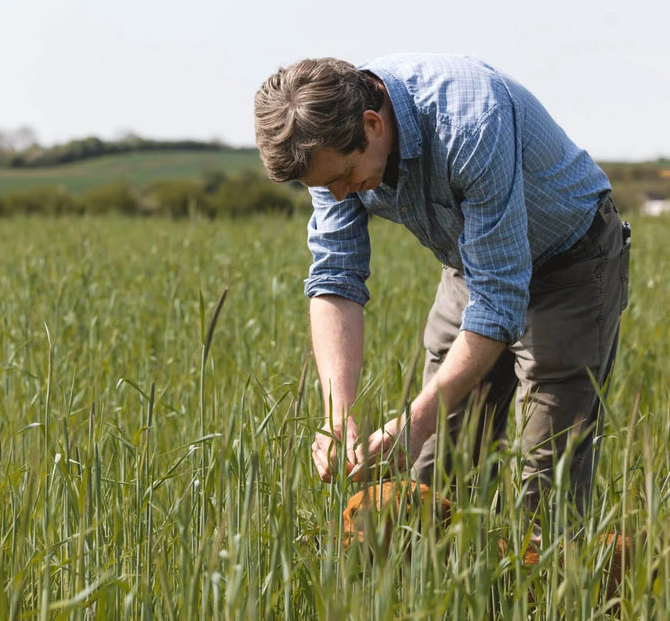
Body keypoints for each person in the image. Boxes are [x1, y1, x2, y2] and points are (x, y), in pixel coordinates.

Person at [253, 54, 631, 535]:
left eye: (341, 178)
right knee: (435, 476)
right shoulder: (328, 145)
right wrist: (337, 415)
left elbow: (499, 301)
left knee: (548, 488)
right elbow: (335, 276)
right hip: (470, 266)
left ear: (372, 124)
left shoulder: (469, 123)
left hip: (571, 267)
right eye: (324, 186)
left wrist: (414, 420)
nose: (341, 195)